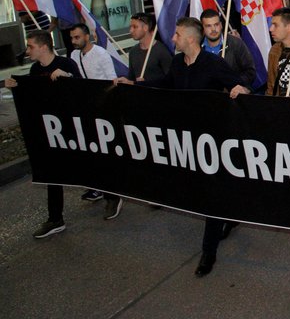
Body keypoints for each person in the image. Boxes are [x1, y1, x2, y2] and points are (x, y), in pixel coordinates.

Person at [117, 17, 247, 278]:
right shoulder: (177, 63)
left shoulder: (213, 63)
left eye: (176, 35)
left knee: (211, 193)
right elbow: (164, 85)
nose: (172, 38)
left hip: (212, 140)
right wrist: (135, 85)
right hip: (185, 140)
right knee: (201, 188)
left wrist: (239, 89)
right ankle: (229, 215)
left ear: (189, 39)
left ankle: (208, 252)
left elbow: (241, 84)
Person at [4, 30, 82, 238]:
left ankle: (110, 195)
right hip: (50, 129)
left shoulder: (66, 64)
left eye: (30, 46)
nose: (27, 50)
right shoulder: (35, 68)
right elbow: (32, 95)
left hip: (72, 129)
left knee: (87, 165)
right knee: (52, 171)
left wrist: (68, 78)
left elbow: (83, 91)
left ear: (44, 47)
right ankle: (55, 218)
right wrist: (16, 86)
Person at [69, 23, 123, 218]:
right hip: (86, 111)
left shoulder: (100, 54)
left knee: (105, 153)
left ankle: (114, 195)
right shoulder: (74, 56)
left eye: (77, 37)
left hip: (102, 110)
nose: (74, 41)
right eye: (72, 38)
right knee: (91, 151)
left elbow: (112, 80)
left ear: (87, 36)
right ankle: (97, 187)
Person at [200, 9, 256, 88]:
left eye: (216, 24)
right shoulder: (198, 47)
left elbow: (250, 72)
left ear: (221, 25)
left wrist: (233, 84)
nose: (213, 29)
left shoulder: (236, 44)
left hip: (231, 95)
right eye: (208, 26)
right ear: (202, 28)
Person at [126, 13, 172, 82]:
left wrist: (147, 83)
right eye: (130, 27)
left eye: (135, 27)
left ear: (145, 28)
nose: (131, 31)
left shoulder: (161, 51)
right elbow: (131, 79)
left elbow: (171, 80)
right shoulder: (133, 52)